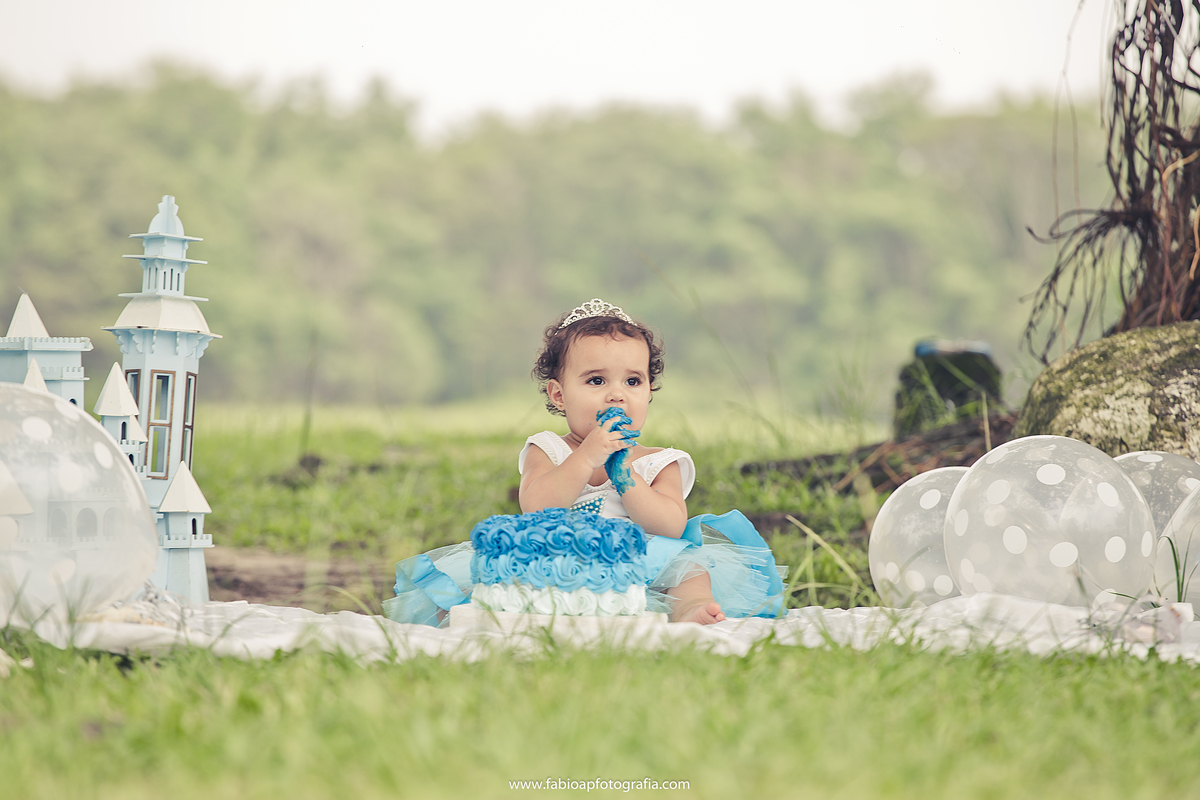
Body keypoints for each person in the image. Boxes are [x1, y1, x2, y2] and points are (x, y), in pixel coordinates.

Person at [383, 299, 785, 627]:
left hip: (638, 558)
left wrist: (624, 474)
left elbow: (669, 526)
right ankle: (470, 610)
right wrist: (588, 455)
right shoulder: (548, 449)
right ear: (559, 395)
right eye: (596, 381)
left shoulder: (660, 461)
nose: (616, 395)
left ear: (649, 390)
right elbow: (536, 506)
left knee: (690, 567)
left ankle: (689, 609)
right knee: (496, 571)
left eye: (633, 381)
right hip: (554, 557)